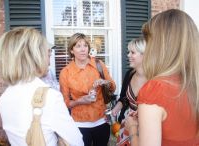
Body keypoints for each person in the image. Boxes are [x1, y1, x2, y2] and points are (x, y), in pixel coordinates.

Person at [0, 27, 84, 146]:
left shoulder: (4, 99)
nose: (49, 59)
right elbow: (77, 142)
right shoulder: (49, 98)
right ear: (34, 57)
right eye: (46, 53)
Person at [124, 9, 199, 146]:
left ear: (160, 46)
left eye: (149, 41)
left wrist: (132, 128)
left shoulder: (155, 89)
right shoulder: (192, 82)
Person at [59, 33, 116, 146]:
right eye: (78, 46)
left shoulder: (99, 64)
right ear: (71, 50)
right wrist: (80, 100)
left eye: (85, 45)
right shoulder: (65, 72)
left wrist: (104, 82)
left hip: (101, 121)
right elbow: (65, 103)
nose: (83, 49)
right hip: (79, 125)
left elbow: (113, 87)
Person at [111, 37, 146, 123]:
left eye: (132, 52)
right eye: (129, 52)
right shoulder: (130, 74)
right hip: (127, 124)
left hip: (146, 126)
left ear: (144, 54)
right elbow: (124, 98)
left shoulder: (155, 78)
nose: (128, 55)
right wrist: (117, 107)